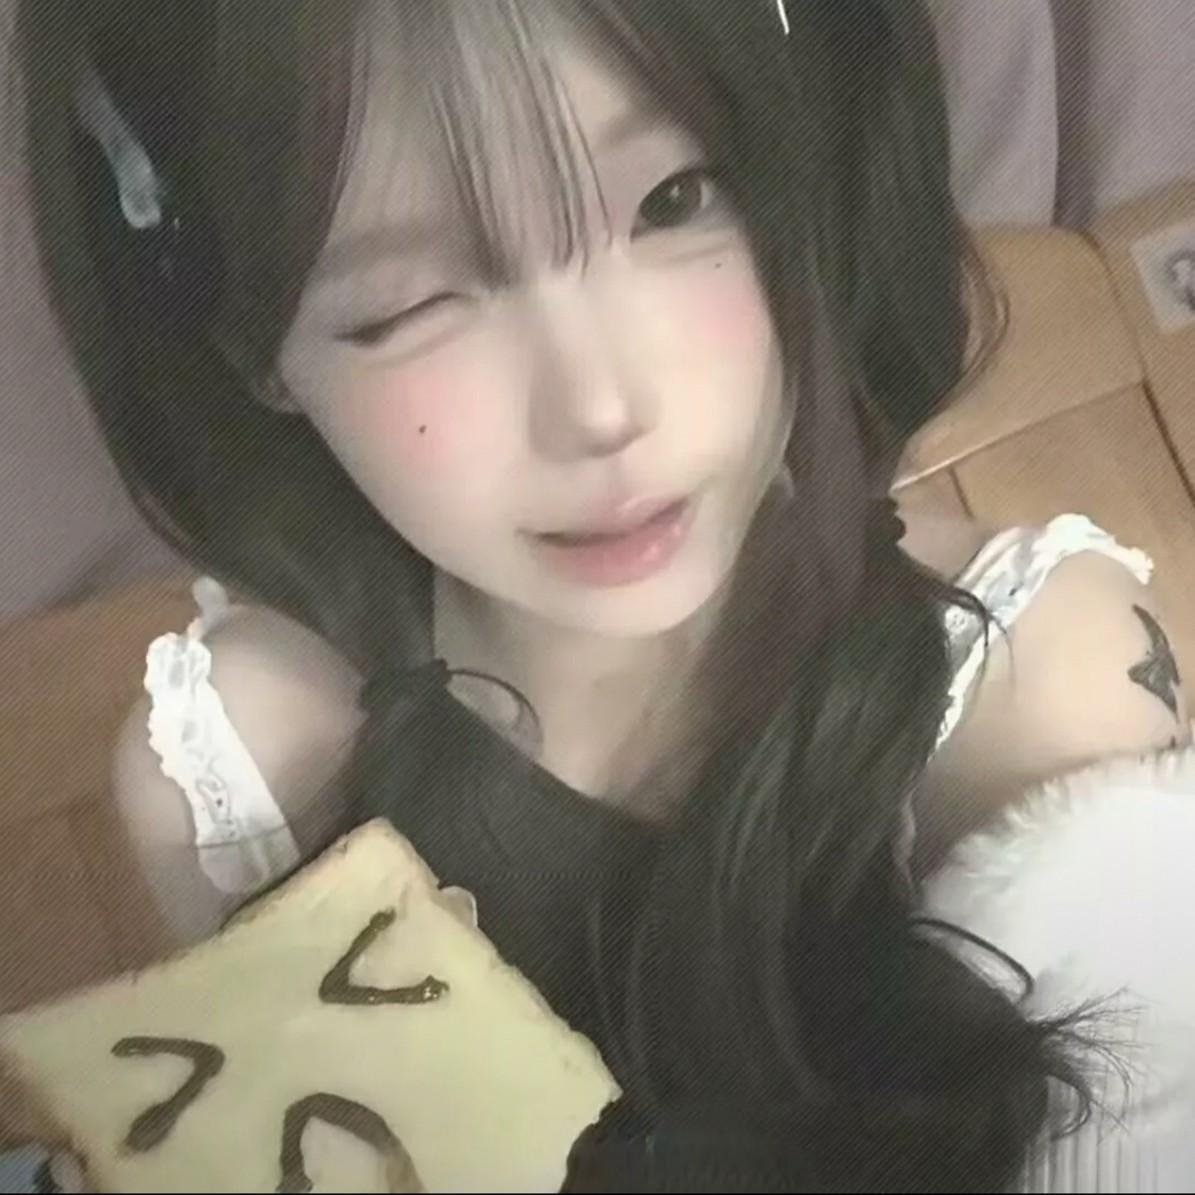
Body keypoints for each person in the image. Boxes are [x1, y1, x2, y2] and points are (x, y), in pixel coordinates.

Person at [9, 1, 1193, 1189]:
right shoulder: (240, 767)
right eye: (409, 302)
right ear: (254, 354)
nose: (601, 408)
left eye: (676, 199)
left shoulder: (1043, 688)